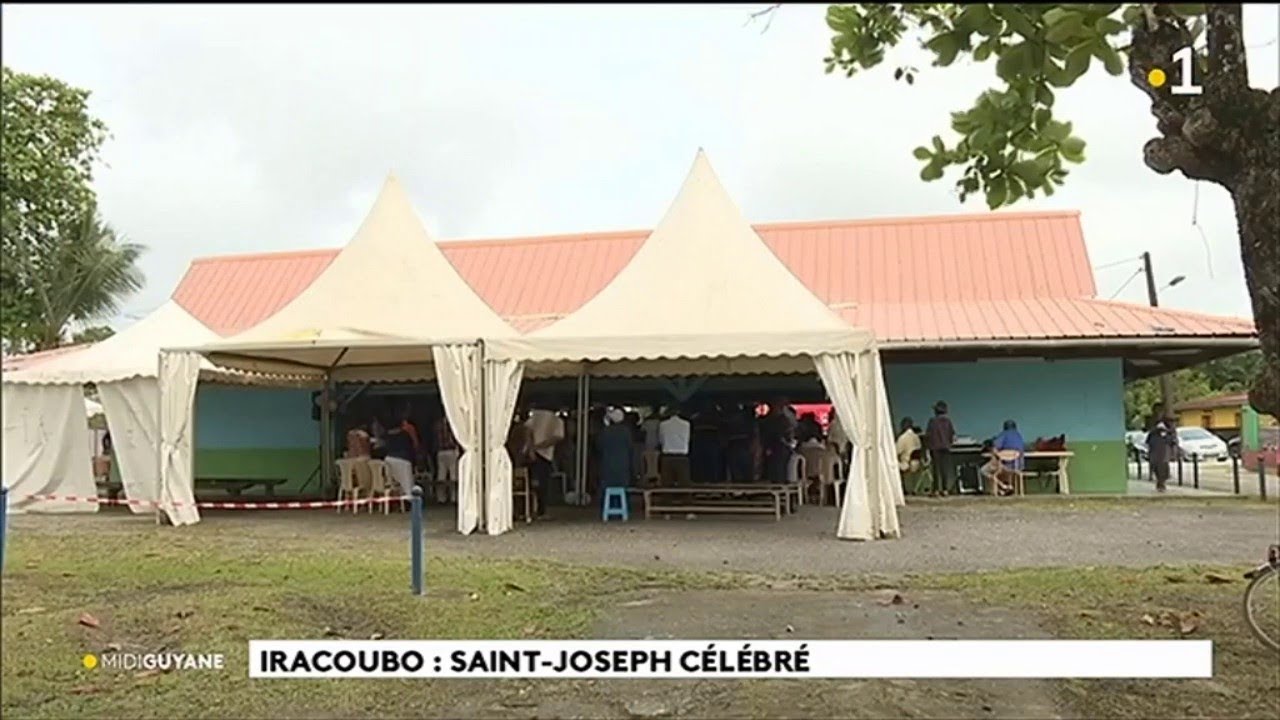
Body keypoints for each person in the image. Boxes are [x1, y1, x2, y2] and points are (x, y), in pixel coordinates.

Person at [525, 402, 565, 517]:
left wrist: (531, 448)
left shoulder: (535, 416)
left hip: (531, 453)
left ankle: (529, 508)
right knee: (543, 483)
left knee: (530, 482)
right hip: (545, 454)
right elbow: (557, 437)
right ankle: (541, 510)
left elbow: (527, 430)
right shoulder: (557, 420)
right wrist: (541, 446)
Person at [597, 407, 636, 510]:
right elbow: (630, 448)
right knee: (623, 488)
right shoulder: (626, 431)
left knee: (607, 488)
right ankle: (623, 508)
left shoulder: (605, 431)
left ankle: (607, 507)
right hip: (623, 464)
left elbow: (599, 446)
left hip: (607, 464)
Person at [924, 400, 957, 496]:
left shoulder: (932, 421)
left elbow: (928, 435)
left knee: (936, 469)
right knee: (944, 469)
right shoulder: (948, 422)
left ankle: (936, 489)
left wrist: (927, 448)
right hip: (946, 447)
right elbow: (952, 434)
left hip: (935, 447)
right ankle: (945, 489)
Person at [761, 398, 797, 483]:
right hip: (775, 448)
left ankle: (780, 484)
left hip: (780, 448)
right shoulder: (772, 420)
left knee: (780, 469)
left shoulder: (783, 420)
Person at [657, 406, 692, 486]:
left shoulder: (663, 425)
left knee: (667, 484)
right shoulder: (686, 424)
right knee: (684, 484)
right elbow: (688, 439)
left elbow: (661, 440)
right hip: (682, 456)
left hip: (667, 456)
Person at [690, 400, 723, 483]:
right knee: (712, 464)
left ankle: (701, 480)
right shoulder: (717, 418)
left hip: (700, 445)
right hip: (711, 445)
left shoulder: (695, 419)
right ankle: (712, 480)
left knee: (701, 464)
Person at [1146, 411, 1178, 493]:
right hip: (1160, 453)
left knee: (1161, 469)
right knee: (1161, 469)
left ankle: (1161, 484)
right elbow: (1172, 441)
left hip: (1159, 453)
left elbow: (1149, 442)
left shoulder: (1157, 431)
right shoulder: (1159, 431)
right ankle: (1161, 484)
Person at [433, 410, 460, 504]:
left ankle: (441, 498)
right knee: (453, 475)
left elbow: (435, 438)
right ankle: (454, 497)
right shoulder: (453, 424)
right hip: (451, 450)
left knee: (441, 475)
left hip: (441, 451)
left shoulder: (437, 425)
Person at [723, 402, 754, 483]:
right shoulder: (746, 418)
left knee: (739, 467)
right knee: (739, 467)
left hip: (740, 443)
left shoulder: (728, 418)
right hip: (737, 443)